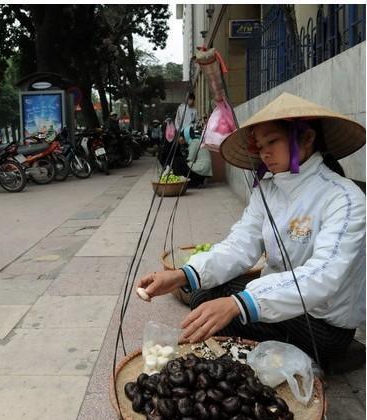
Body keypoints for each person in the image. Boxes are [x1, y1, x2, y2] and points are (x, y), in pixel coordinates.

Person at [137, 92, 366, 369]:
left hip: (321, 323)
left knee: (225, 309)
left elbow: (324, 275)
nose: (264, 153)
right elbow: (240, 245)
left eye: (272, 141)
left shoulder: (344, 198)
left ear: (306, 138)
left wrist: (240, 304)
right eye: (259, 145)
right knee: (203, 293)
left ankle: (312, 357)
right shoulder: (268, 190)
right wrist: (181, 275)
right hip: (278, 299)